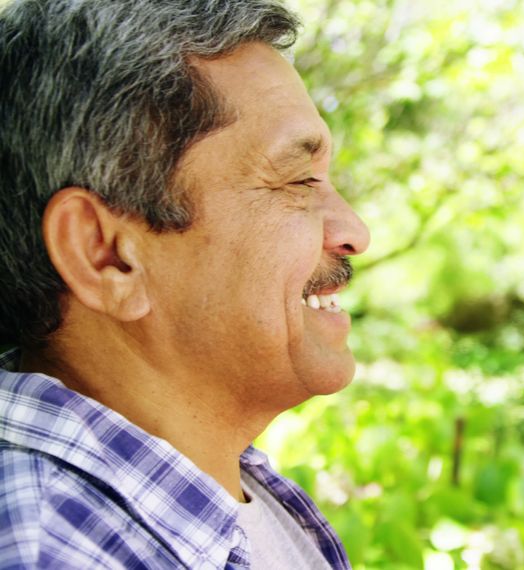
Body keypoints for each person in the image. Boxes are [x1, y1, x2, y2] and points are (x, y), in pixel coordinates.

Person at [0, 1, 368, 567]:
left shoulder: (222, 490)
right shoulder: (52, 550)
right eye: (298, 180)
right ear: (105, 256)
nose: (354, 232)